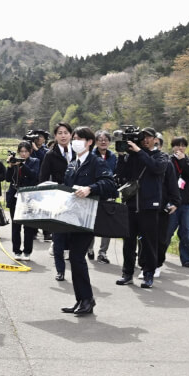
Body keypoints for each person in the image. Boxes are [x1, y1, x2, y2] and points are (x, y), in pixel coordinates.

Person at [60, 127, 117, 315]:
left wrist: (90, 188)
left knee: (77, 257)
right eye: (74, 138)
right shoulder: (73, 163)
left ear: (89, 142)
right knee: (75, 259)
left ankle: (87, 300)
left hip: (88, 217)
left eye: (79, 139)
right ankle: (81, 300)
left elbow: (110, 184)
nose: (75, 141)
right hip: (72, 216)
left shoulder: (96, 162)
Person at [115, 127, 168, 288]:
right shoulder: (133, 157)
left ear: (155, 140)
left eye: (149, 137)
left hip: (149, 206)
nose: (145, 140)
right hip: (131, 204)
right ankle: (127, 273)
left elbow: (156, 168)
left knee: (149, 243)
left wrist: (139, 151)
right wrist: (122, 155)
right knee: (128, 242)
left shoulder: (161, 156)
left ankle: (148, 274)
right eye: (142, 137)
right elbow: (121, 174)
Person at [138, 133, 181, 278]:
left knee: (160, 238)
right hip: (145, 204)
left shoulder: (165, 161)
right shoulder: (141, 158)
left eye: (159, 143)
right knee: (145, 238)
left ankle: (157, 264)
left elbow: (172, 183)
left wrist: (175, 201)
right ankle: (145, 265)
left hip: (162, 205)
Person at [39, 122, 74, 281]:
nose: (63, 135)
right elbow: (43, 178)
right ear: (55, 136)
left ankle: (77, 269)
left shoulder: (79, 152)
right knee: (58, 237)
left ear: (71, 135)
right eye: (59, 133)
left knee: (74, 237)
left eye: (66, 132)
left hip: (77, 199)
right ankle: (60, 270)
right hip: (58, 200)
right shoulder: (50, 155)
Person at [166, 136, 189, 268]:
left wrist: (183, 161)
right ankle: (159, 254)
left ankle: (187, 259)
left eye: (183, 145)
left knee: (188, 232)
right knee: (167, 231)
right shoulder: (168, 160)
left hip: (186, 203)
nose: (180, 148)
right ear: (172, 147)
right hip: (171, 203)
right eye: (177, 145)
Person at [5, 142, 40, 261]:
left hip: (29, 197)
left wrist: (22, 165)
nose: (23, 154)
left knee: (28, 226)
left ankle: (27, 251)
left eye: (26, 151)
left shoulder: (35, 161)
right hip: (14, 197)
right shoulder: (14, 162)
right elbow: (8, 179)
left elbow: (34, 176)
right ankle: (16, 250)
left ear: (30, 152)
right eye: (21, 151)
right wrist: (10, 166)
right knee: (16, 226)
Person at [88, 130, 118, 263]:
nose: (103, 141)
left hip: (108, 193)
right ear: (95, 142)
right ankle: (89, 248)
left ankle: (103, 252)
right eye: (100, 139)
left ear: (109, 142)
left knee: (107, 225)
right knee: (91, 223)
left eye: (106, 139)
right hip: (93, 193)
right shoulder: (90, 155)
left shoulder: (113, 156)